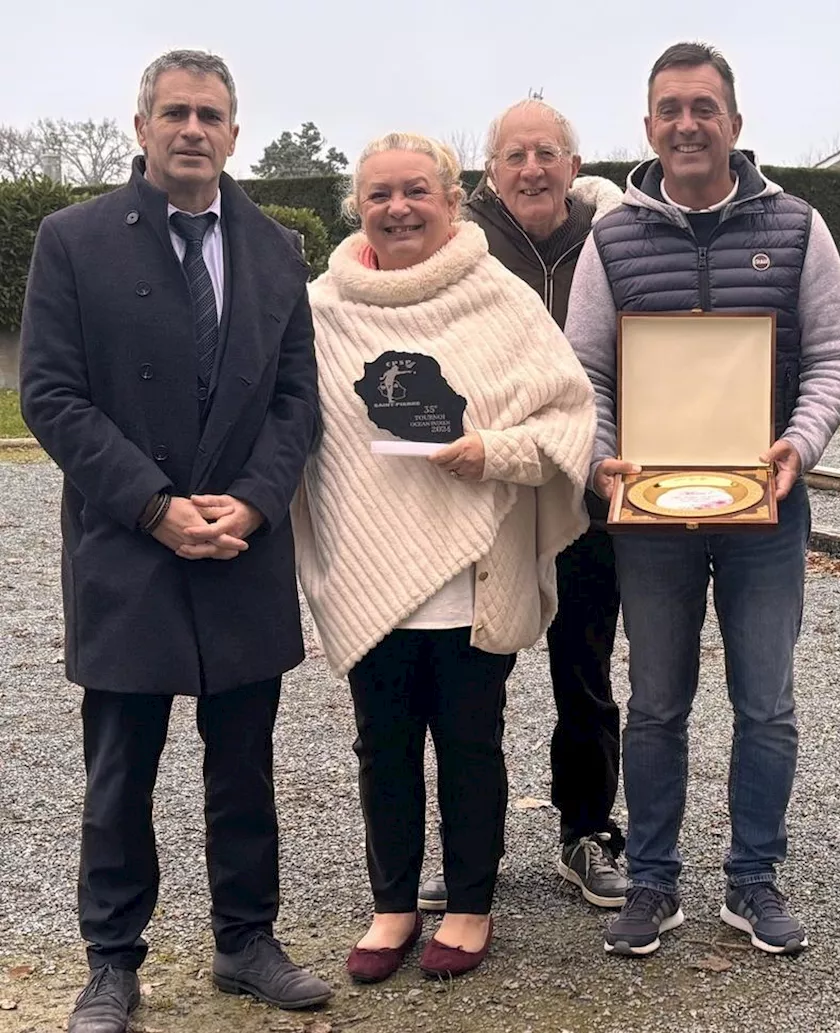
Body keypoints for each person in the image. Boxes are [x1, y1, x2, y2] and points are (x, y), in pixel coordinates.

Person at [19, 50, 330, 1033]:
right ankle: (111, 962)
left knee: (243, 765)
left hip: (242, 543)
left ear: (233, 133)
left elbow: (295, 403)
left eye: (210, 115)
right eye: (175, 113)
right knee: (120, 776)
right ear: (142, 126)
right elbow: (52, 398)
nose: (192, 129)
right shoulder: (72, 242)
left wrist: (254, 501)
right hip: (127, 547)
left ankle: (246, 939)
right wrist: (154, 505)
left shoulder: (278, 248)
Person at [565, 41, 840, 957]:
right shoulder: (610, 239)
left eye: (704, 107)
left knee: (765, 702)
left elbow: (834, 355)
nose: (686, 124)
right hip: (649, 515)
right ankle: (651, 882)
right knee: (655, 702)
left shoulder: (801, 227)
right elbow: (582, 373)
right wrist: (604, 460)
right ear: (648, 124)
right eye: (669, 109)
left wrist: (798, 445)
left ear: (735, 122)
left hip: (762, 505)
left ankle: (753, 880)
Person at [292, 132, 595, 984]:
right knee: (380, 745)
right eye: (380, 193)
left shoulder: (499, 298)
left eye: (416, 191)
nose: (398, 208)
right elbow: (291, 427)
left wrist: (490, 452)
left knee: (470, 744)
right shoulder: (319, 308)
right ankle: (392, 903)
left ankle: (469, 902)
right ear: (359, 206)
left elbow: (567, 419)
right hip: (369, 572)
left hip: (470, 573)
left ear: (453, 200)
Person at [413, 99, 628, 915]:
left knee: (587, 672)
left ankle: (587, 830)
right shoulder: (459, 250)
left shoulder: (610, 240)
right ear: (489, 173)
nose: (532, 168)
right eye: (514, 155)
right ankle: (476, 850)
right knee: (476, 681)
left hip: (583, 493)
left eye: (547, 152)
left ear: (574, 165)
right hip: (489, 497)